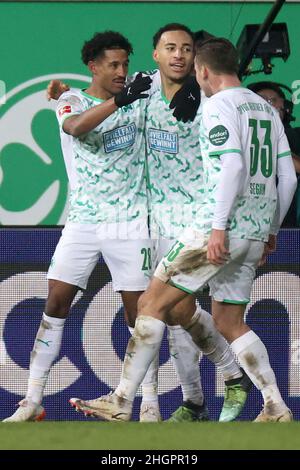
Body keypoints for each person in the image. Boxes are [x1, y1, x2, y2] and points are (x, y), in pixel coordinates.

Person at [79, 37, 297, 423]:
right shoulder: (265, 108)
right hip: (254, 231)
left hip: (216, 230)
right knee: (230, 322)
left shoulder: (218, 107)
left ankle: (122, 401)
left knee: (150, 304)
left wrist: (217, 229)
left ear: (204, 71)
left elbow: (230, 167)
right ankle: (275, 405)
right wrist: (271, 230)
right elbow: (288, 178)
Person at [2, 31, 155, 423]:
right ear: (93, 66)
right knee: (55, 304)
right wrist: (121, 100)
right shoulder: (72, 100)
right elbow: (77, 128)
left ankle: (149, 405)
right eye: (113, 65)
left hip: (131, 222)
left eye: (125, 64)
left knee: (141, 317)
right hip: (83, 223)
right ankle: (32, 400)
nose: (122, 72)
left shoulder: (141, 96)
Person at [247, 81, 300, 227]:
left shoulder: (294, 135)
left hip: (285, 225)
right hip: (247, 221)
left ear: (285, 108)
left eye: (273, 101)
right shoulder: (241, 135)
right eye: (262, 101)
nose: (269, 106)